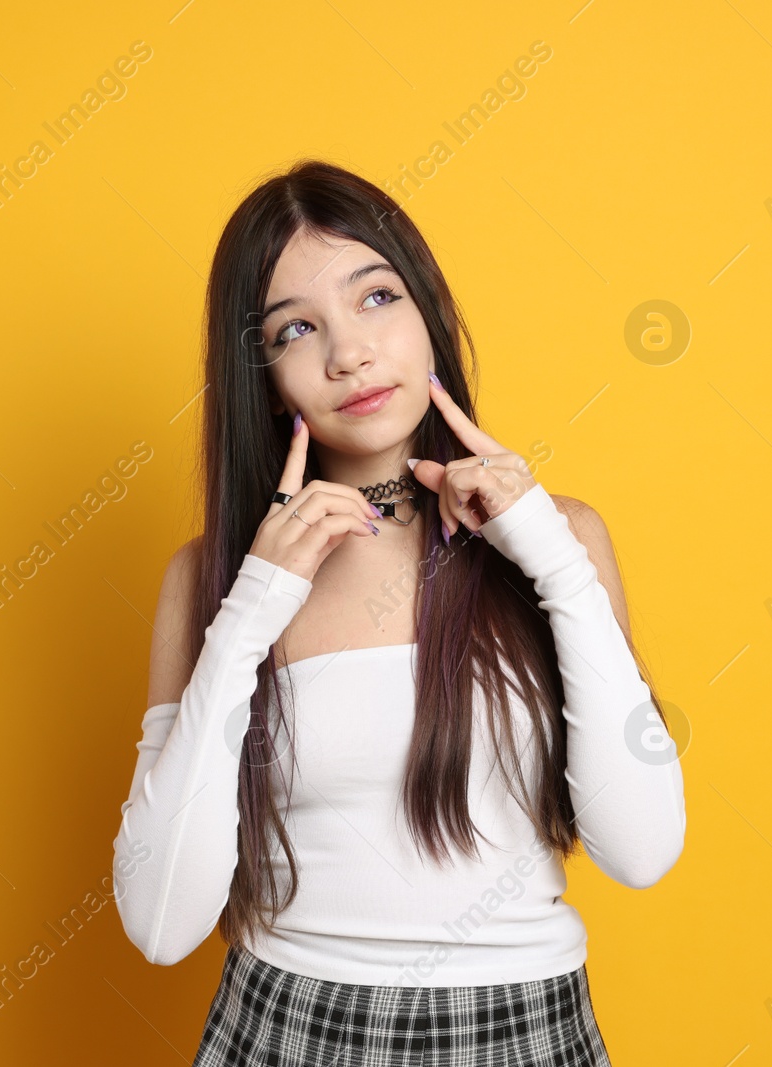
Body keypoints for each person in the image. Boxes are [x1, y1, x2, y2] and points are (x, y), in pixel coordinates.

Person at [111, 159, 686, 1066]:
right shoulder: (212, 581)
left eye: (376, 298)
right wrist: (251, 609)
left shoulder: (561, 538)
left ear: (430, 316)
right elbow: (160, 924)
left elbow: (643, 848)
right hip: (283, 1032)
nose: (349, 352)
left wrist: (551, 562)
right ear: (263, 377)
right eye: (297, 329)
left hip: (525, 1033)